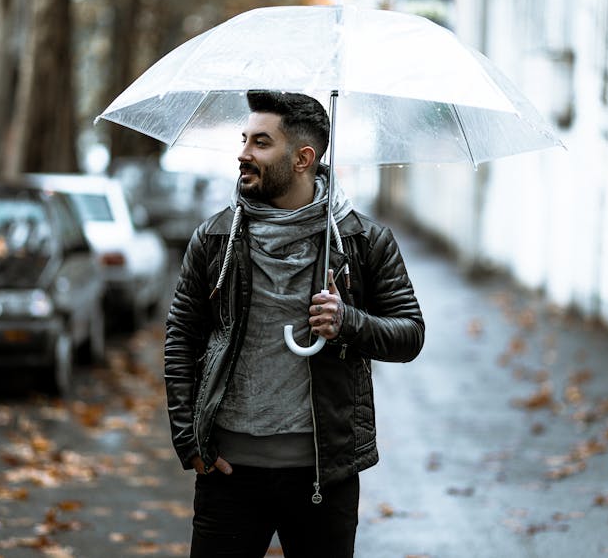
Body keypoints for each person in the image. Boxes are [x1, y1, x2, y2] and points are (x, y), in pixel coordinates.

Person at [164, 90, 425, 557]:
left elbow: (410, 334)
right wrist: (189, 439)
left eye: (261, 143)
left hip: (324, 476)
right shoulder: (215, 238)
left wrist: (348, 322)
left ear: (304, 158)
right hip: (228, 474)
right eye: (244, 139)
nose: (243, 153)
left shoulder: (364, 241)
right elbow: (182, 336)